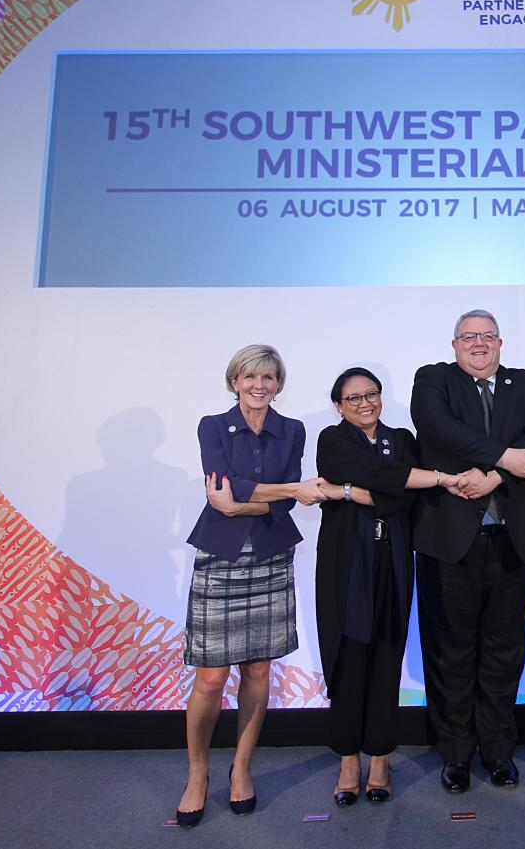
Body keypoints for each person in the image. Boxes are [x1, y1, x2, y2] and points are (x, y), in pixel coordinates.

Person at [176, 344, 326, 827]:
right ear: (234, 381)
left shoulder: (293, 429)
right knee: (212, 677)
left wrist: (249, 499)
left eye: (268, 378)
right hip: (220, 556)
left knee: (258, 671)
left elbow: (244, 497)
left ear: (279, 384)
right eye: (249, 377)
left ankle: (241, 769)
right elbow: (224, 494)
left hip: (270, 554)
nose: (258, 385)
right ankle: (197, 774)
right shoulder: (213, 426)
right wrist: (289, 490)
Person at [411, 309, 525, 793]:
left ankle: (498, 751)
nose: (478, 344)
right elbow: (437, 428)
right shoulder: (433, 379)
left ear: (501, 342)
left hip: (512, 539)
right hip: (449, 541)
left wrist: (497, 474)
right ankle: (455, 754)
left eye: (487, 336)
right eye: (469, 337)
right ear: (454, 344)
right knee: (451, 652)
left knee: (504, 651)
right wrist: (504, 457)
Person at [313, 367, 463, 807]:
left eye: (371, 394)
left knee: (386, 652)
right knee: (347, 654)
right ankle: (347, 760)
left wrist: (346, 492)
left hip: (393, 559)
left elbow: (401, 493)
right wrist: (390, 484)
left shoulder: (402, 439)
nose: (365, 403)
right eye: (353, 397)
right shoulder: (332, 438)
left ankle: (379, 758)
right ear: (339, 405)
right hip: (345, 563)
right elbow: (386, 479)